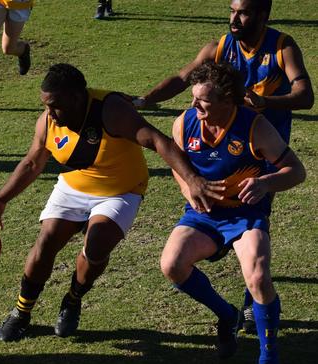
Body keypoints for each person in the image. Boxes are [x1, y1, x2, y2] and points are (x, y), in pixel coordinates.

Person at [0, 63, 224, 342]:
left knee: (97, 243)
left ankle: (73, 298)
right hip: (76, 184)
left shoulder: (111, 110)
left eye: (55, 105)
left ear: (78, 97)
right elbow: (33, 163)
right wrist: (1, 199)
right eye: (46, 105)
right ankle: (21, 312)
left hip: (121, 189)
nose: (50, 113)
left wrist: (191, 178)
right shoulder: (48, 121)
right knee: (46, 241)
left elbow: (156, 140)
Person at [133, 0, 313, 333]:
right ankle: (231, 273)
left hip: (262, 151)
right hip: (221, 143)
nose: (234, 18)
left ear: (263, 15)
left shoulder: (282, 47)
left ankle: (252, 298)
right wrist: (145, 100)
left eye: (243, 11)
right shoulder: (219, 48)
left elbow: (306, 95)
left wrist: (268, 103)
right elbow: (182, 78)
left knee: (255, 214)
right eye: (232, 10)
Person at [161, 62, 305, 364]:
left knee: (258, 277)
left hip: (245, 215)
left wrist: (266, 183)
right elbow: (178, 163)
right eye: (193, 97)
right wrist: (190, 190)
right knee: (172, 265)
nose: (194, 104)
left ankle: (269, 357)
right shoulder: (185, 122)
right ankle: (227, 315)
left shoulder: (255, 127)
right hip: (204, 215)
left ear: (228, 100)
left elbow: (297, 171)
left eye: (203, 100)